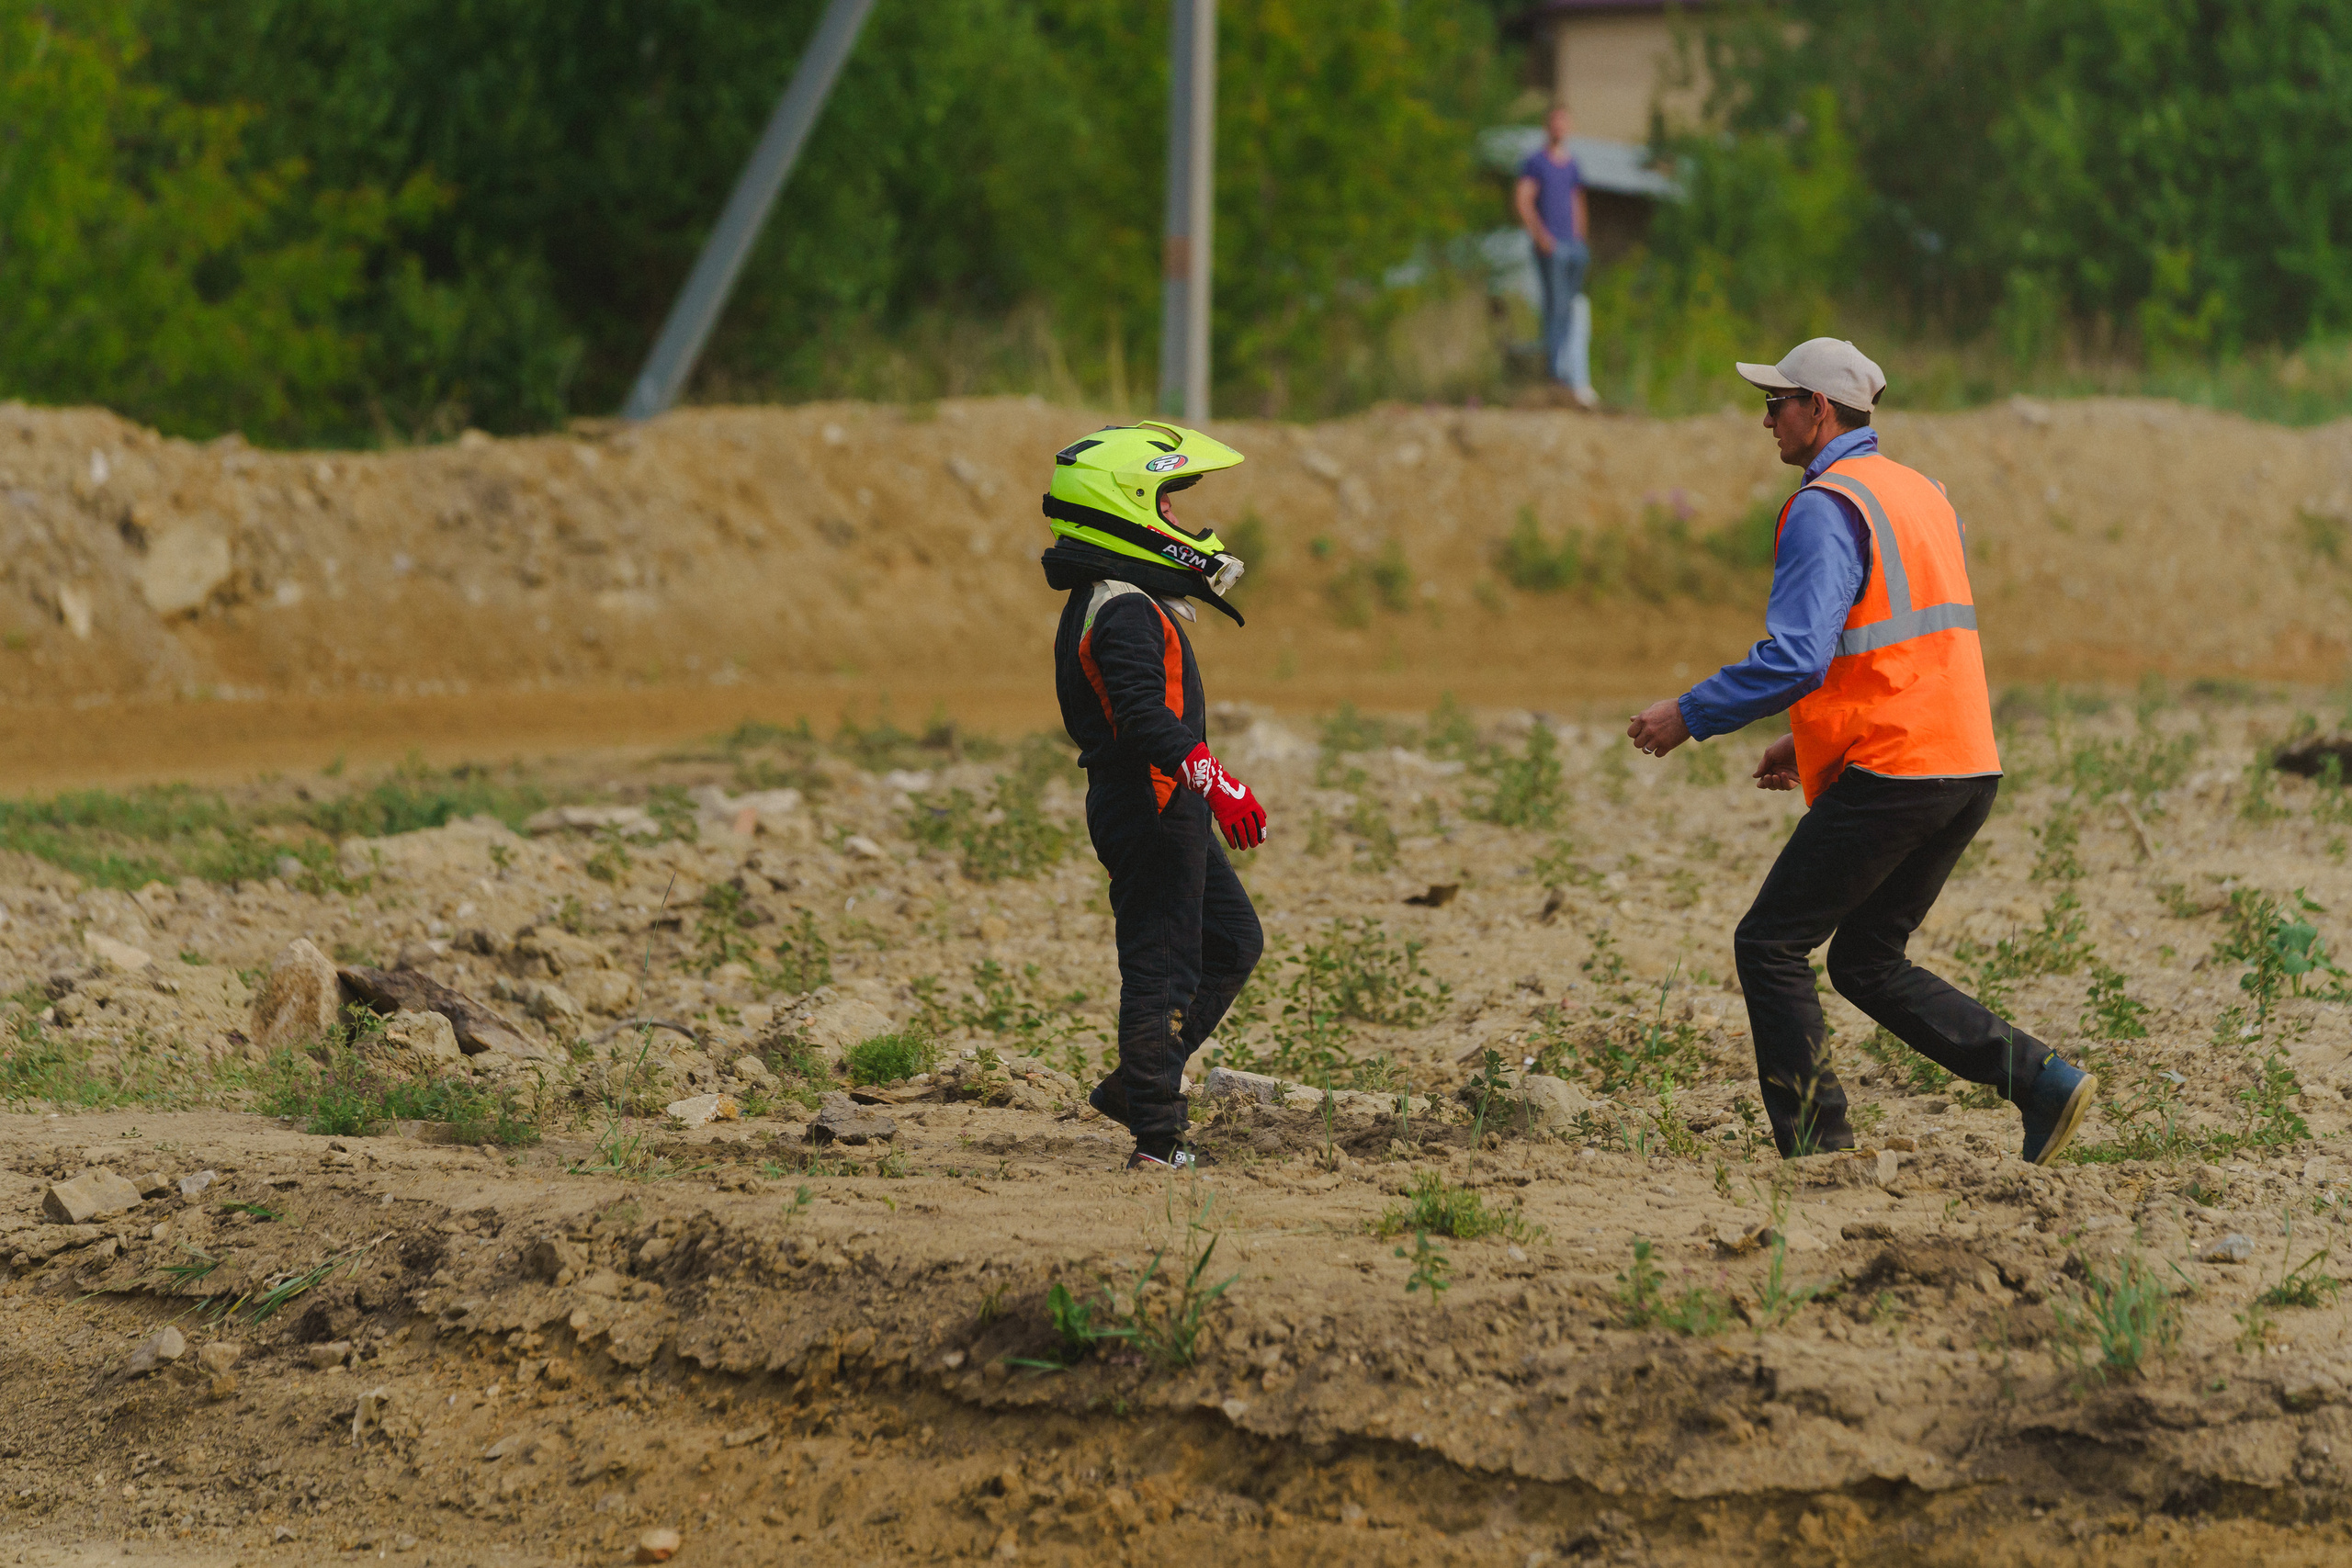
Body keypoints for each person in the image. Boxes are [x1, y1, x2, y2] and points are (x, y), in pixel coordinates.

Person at [1623, 338, 2097, 1165]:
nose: (1766, 417)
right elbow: (1898, 653)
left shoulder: (1826, 503)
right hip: (1965, 764)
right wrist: (1808, 742)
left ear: (1821, 410)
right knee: (1868, 960)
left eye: (1778, 402)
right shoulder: (1919, 492)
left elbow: (1799, 655)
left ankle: (1818, 1149)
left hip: (1899, 770)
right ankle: (2044, 1083)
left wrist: (1688, 714)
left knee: (1768, 945)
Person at [1040, 422, 1270, 1170]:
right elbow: (1142, 716)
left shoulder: (1120, 596)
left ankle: (1136, 1085)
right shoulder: (1122, 606)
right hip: (1150, 798)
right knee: (1161, 962)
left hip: (1161, 798)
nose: (1183, 522)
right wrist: (1219, 780)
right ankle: (1157, 1138)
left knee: (1232, 940)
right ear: (1130, 506)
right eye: (1169, 506)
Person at [1514, 103, 1595, 407]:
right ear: (1547, 125)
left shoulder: (1572, 164)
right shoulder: (1535, 162)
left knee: (1573, 308)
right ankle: (1555, 371)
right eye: (1554, 121)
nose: (1559, 127)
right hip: (1551, 247)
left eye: (1564, 121)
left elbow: (1577, 201)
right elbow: (1523, 200)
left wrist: (1580, 239)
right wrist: (1540, 236)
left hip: (1573, 247)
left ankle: (1569, 371)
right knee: (1556, 305)